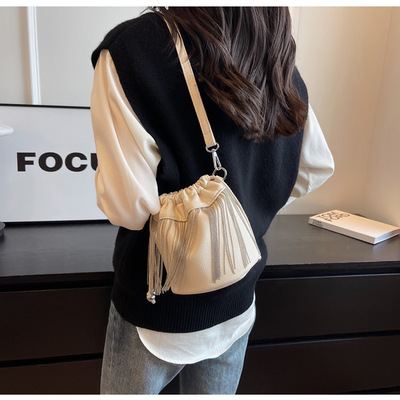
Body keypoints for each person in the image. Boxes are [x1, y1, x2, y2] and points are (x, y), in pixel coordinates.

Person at [90, 7, 334, 394]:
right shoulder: (274, 54)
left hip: (157, 312)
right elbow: (315, 167)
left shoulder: (134, 48)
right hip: (238, 299)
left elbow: (128, 208)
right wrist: (247, 210)